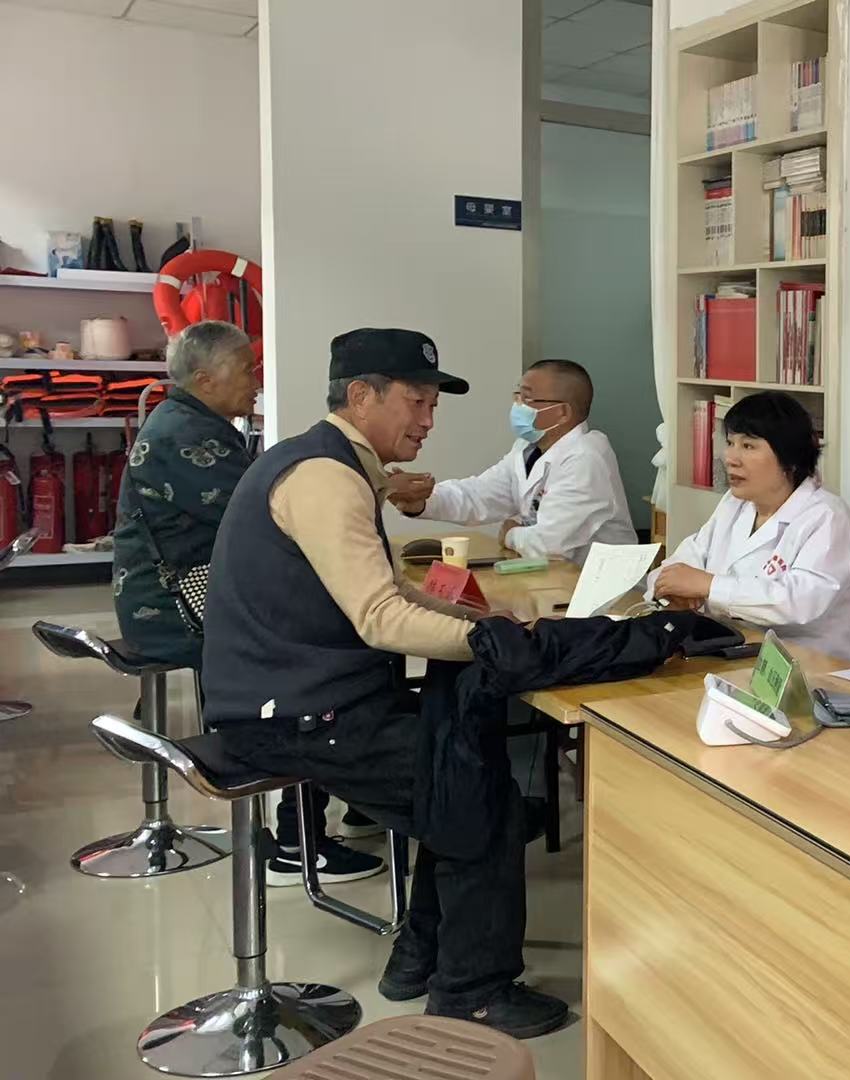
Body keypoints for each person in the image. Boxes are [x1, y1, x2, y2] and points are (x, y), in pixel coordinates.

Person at [198, 328, 566, 1039]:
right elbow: (378, 618)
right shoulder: (326, 477)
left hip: (303, 698)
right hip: (296, 715)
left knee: (457, 771)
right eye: (416, 402)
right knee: (480, 798)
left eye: (434, 405)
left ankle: (419, 957)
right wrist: (492, 642)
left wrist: (474, 619)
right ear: (362, 395)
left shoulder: (329, 463)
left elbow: (390, 588)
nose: (428, 420)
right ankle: (473, 993)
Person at [111, 321, 382, 887]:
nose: (256, 381)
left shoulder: (195, 423)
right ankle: (298, 841)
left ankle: (365, 796)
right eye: (246, 370)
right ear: (205, 379)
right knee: (319, 652)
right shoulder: (186, 435)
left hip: (181, 589)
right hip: (171, 604)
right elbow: (271, 499)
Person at [647, 390, 850, 661]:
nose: (731, 458)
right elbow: (684, 560)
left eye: (748, 446)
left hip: (808, 669)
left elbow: (798, 602)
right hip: (731, 654)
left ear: (790, 457)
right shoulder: (735, 503)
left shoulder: (827, 517)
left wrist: (709, 586)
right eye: (730, 443)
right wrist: (671, 592)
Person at [387, 359, 637, 563]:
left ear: (562, 412)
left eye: (527, 399)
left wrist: (511, 534)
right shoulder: (526, 449)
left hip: (606, 594)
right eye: (517, 396)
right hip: (554, 580)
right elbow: (480, 494)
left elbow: (550, 546)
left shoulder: (586, 457)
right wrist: (422, 501)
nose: (517, 406)